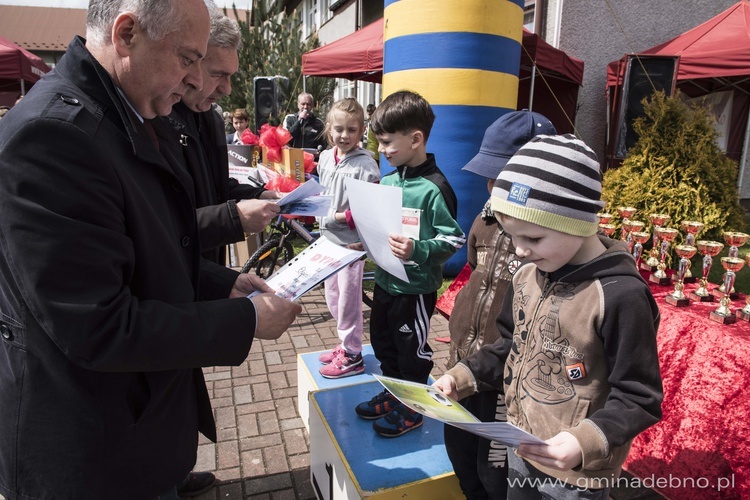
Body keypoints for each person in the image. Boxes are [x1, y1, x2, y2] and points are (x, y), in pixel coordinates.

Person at [0, 1, 302, 498]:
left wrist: (223, 283)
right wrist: (246, 321)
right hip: (93, 459)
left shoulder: (123, 111)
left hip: (130, 435)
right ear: (126, 34)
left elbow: (148, 249)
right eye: (187, 58)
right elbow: (99, 326)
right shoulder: (55, 137)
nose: (192, 80)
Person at [434, 134, 663, 498]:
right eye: (512, 237)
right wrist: (462, 376)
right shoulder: (526, 276)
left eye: (534, 238)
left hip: (577, 474)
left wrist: (583, 441)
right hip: (521, 449)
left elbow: (640, 396)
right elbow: (508, 344)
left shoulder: (621, 296)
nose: (521, 251)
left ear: (578, 222)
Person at [444, 110, 557, 499]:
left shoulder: (547, 244)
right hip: (463, 367)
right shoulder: (485, 220)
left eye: (505, 178)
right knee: (461, 459)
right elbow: (476, 270)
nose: (493, 186)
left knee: (495, 475)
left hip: (503, 385)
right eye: (490, 176)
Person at [354, 90, 465, 437]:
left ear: (416, 139)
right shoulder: (387, 180)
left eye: (387, 143)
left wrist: (417, 250)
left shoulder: (435, 189)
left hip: (414, 291)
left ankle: (414, 409)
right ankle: (393, 395)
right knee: (384, 346)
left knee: (411, 353)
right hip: (386, 284)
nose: (382, 150)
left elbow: (453, 239)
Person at [165, 11, 281, 271]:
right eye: (218, 74)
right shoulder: (156, 118)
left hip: (207, 270)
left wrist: (259, 194)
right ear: (190, 64)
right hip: (177, 275)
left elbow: (215, 186)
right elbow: (160, 226)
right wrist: (233, 219)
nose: (227, 89)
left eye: (231, 76)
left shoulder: (211, 118)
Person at [315, 98, 380, 379]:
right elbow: (320, 191)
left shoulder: (367, 165)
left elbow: (372, 207)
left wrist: (343, 217)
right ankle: (345, 344)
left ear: (362, 130)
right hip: (327, 240)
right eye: (339, 129)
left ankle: (353, 353)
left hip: (351, 245)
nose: (344, 135)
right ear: (329, 129)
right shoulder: (325, 157)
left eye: (351, 130)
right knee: (332, 296)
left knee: (348, 301)